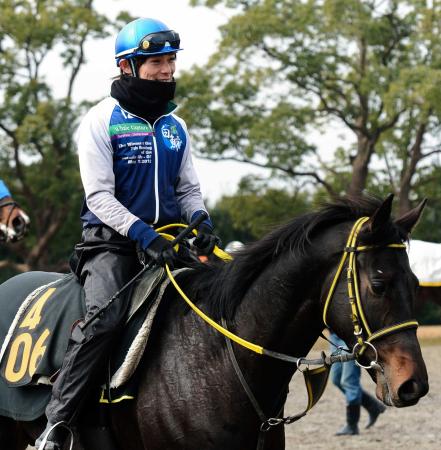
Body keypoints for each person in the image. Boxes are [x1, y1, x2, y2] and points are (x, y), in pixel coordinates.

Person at [36, 17, 219, 450]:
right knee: (105, 322)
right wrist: (142, 234)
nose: (166, 70)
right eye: (156, 61)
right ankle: (57, 425)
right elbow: (98, 197)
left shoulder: (177, 126)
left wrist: (203, 222)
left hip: (172, 244)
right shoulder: (101, 120)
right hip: (111, 246)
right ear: (127, 66)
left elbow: (188, 189)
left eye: (170, 60)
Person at [329, 331, 386, 435]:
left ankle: (352, 425)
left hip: (348, 335)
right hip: (334, 336)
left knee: (349, 381)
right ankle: (373, 406)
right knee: (336, 379)